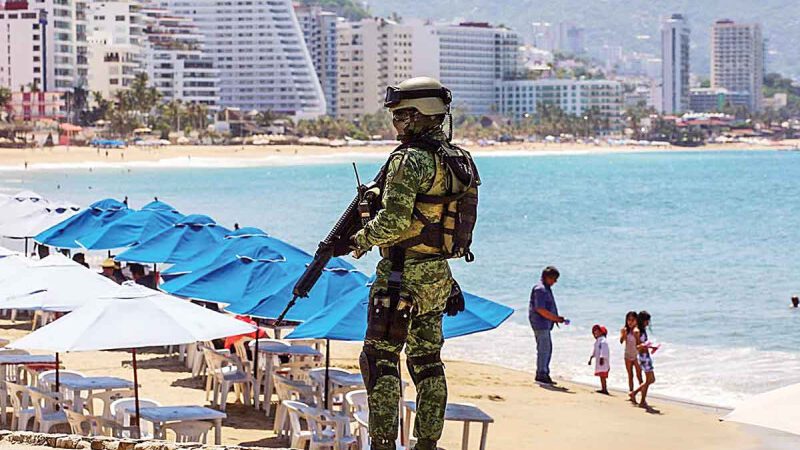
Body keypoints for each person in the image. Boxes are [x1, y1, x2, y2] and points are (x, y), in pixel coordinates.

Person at [350, 77, 478, 450]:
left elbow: (393, 222)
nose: (397, 125)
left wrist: (360, 240)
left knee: (380, 360)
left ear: (420, 115)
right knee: (427, 362)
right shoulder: (459, 160)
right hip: (439, 276)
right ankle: (427, 442)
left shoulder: (409, 161)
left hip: (399, 277)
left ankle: (385, 442)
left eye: (401, 116)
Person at [528, 266, 566, 385]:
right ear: (547, 277)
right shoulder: (540, 289)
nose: (555, 282)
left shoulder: (545, 288)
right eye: (554, 279)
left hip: (544, 324)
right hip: (540, 323)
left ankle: (544, 372)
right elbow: (540, 309)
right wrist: (556, 318)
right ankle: (541, 374)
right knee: (544, 349)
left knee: (547, 348)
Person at [629, 310, 656, 408]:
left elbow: (642, 345)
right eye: (646, 321)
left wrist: (651, 347)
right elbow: (637, 346)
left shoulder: (642, 330)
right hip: (643, 357)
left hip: (646, 355)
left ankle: (637, 395)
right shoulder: (637, 331)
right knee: (650, 380)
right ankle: (640, 399)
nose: (648, 323)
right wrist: (645, 345)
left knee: (650, 380)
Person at [620, 311, 642, 393]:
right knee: (630, 375)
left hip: (637, 355)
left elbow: (639, 345)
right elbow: (621, 341)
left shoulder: (638, 331)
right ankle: (631, 392)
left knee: (639, 376)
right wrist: (624, 334)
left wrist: (636, 336)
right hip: (627, 355)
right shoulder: (624, 330)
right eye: (629, 320)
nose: (630, 322)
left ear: (636, 321)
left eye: (633, 320)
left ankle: (642, 394)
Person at [589, 324, 610, 394]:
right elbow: (595, 350)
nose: (596, 333)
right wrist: (591, 357)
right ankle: (603, 388)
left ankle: (604, 389)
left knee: (603, 375)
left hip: (603, 361)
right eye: (594, 332)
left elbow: (604, 350)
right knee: (601, 376)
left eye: (597, 331)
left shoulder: (603, 341)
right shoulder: (597, 341)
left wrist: (602, 357)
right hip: (599, 361)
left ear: (602, 332)